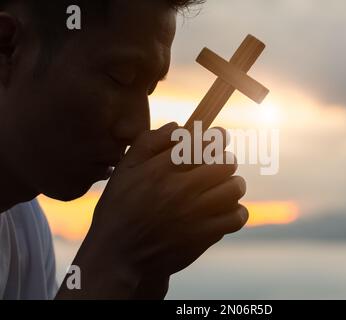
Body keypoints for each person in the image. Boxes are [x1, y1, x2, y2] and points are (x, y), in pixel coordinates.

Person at [0, 0, 248, 299]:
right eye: (120, 77)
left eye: (148, 90)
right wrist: (115, 257)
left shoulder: (23, 228)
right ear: (7, 47)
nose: (138, 129)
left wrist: (147, 273)